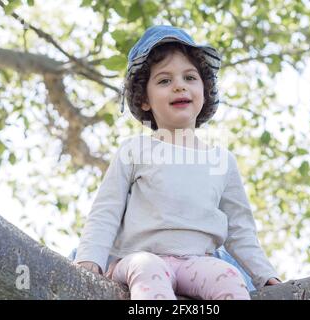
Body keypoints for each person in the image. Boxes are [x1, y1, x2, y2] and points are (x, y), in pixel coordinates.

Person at [73, 25, 281, 300]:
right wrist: (89, 260)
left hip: (198, 262)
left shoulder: (222, 161)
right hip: (140, 260)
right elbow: (106, 212)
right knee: (149, 270)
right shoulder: (135, 150)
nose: (179, 85)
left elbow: (240, 230)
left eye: (189, 77)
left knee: (228, 278)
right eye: (164, 81)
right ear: (144, 99)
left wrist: (265, 275)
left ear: (204, 91)